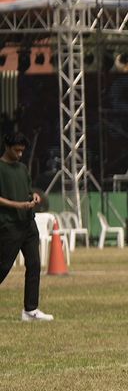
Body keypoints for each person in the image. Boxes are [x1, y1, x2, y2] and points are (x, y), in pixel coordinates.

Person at [0, 132, 53, 322]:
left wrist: (33, 198)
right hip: (9, 225)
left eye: (22, 151)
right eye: (17, 150)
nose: (20, 154)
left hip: (28, 224)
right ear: (7, 147)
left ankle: (30, 310)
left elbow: (28, 191)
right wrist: (17, 205)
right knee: (3, 266)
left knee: (34, 264)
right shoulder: (1, 168)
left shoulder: (22, 168)